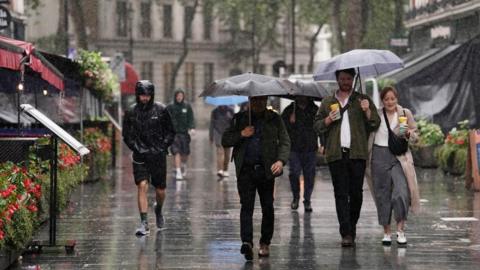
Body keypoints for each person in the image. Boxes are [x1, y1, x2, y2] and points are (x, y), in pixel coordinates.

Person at [314, 68, 381, 247]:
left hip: (357, 154)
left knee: (356, 194)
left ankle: (352, 227)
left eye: (348, 78)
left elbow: (375, 122)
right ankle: (346, 233)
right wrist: (328, 119)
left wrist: (367, 111)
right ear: (337, 79)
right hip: (336, 154)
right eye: (342, 78)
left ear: (353, 79)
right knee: (341, 194)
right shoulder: (328, 101)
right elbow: (317, 126)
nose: (345, 82)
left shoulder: (362, 100)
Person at [222, 96, 290, 260]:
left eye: (261, 100)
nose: (258, 103)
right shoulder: (240, 118)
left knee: (268, 207)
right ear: (249, 101)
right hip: (245, 170)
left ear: (266, 100)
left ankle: (265, 242)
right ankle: (247, 242)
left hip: (266, 170)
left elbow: (285, 141)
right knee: (246, 207)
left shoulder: (274, 119)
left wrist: (281, 161)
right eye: (255, 100)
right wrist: (242, 133)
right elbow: (225, 140)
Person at [365, 86, 420, 246]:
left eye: (392, 98)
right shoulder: (377, 114)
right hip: (378, 156)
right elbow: (368, 125)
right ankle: (387, 232)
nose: (390, 102)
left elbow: (416, 136)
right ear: (382, 100)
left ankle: (400, 230)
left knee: (402, 192)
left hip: (399, 157)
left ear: (397, 99)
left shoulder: (405, 113)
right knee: (382, 195)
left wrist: (409, 133)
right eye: (386, 99)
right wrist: (366, 110)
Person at [122, 80, 175, 235]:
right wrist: (136, 147)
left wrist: (162, 146)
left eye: (147, 95)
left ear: (152, 95)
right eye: (141, 95)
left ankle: (158, 209)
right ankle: (144, 222)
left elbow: (171, 131)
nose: (144, 98)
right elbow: (126, 134)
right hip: (140, 155)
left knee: (160, 190)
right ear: (137, 95)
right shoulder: (131, 112)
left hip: (158, 155)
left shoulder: (161, 110)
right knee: (142, 185)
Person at [281, 96, 319, 212]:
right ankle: (295, 197)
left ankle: (307, 200)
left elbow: (321, 126)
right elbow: (282, 128)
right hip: (294, 148)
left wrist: (323, 143)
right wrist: (290, 122)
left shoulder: (314, 110)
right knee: (294, 172)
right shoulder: (289, 109)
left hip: (310, 147)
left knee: (310, 174)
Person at [167, 89, 195, 180]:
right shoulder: (170, 107)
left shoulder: (187, 106)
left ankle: (183, 165)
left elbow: (191, 118)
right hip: (174, 134)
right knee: (176, 152)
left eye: (181, 96)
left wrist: (192, 128)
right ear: (175, 96)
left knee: (185, 153)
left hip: (184, 133)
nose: (179, 97)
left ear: (183, 97)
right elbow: (165, 118)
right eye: (178, 96)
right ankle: (178, 171)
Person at [209, 105, 235, 178]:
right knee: (220, 152)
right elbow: (212, 124)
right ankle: (220, 170)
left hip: (227, 134)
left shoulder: (231, 111)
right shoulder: (215, 112)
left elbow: (234, 124)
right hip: (218, 133)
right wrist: (211, 136)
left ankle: (225, 170)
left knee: (227, 155)